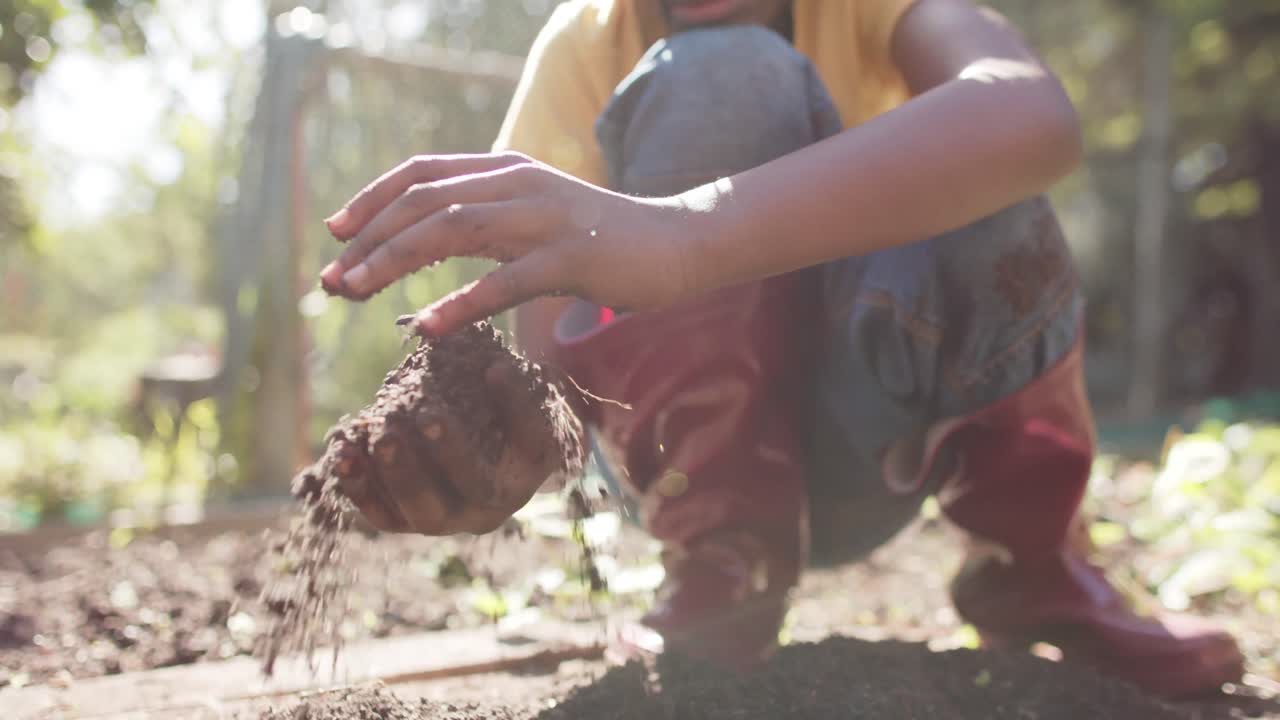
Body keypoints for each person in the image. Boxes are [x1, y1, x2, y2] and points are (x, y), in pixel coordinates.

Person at [315, 0, 1244, 699]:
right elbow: (540, 357)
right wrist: (500, 451)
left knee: (982, 162)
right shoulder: (585, 45)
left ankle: (1036, 565)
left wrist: (686, 235)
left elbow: (1033, 115)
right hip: (683, 465)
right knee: (717, 70)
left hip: (890, 430)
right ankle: (726, 572)